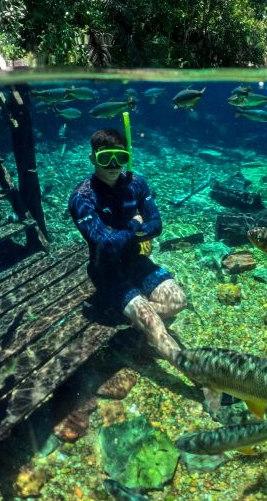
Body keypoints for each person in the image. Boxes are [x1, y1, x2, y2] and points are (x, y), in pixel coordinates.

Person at [69, 128, 186, 362]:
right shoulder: (82, 198)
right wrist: (134, 224)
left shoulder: (137, 184)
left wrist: (123, 233)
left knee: (177, 301)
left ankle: (125, 313)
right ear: (93, 159)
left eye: (120, 157)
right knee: (153, 323)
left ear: (127, 156)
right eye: (105, 158)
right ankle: (199, 377)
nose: (113, 165)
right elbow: (107, 247)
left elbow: (156, 225)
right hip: (107, 271)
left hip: (135, 262)